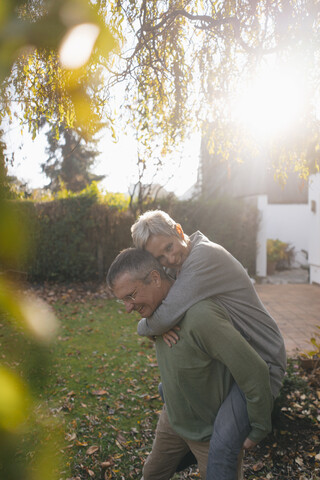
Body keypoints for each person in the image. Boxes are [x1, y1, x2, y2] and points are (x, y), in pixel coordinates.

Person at [131, 210, 287, 478]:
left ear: (179, 231)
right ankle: (189, 450)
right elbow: (164, 307)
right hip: (230, 359)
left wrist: (147, 329)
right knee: (167, 389)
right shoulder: (180, 265)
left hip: (262, 360)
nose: (168, 259)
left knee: (223, 450)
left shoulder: (204, 258)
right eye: (159, 257)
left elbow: (164, 316)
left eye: (169, 247)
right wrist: (158, 327)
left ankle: (204, 451)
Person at [106, 248, 274, 480]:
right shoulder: (157, 317)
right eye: (122, 300)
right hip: (173, 420)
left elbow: (254, 371)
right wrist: (153, 328)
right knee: (151, 474)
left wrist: (259, 427)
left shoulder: (201, 316)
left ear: (155, 278)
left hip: (210, 434)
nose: (128, 308)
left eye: (131, 296)